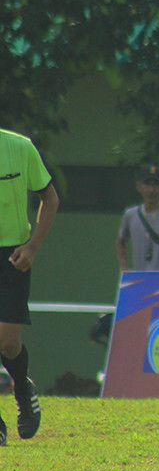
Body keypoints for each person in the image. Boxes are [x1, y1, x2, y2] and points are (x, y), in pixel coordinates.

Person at [0, 128, 59, 446]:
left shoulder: (20, 147)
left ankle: (22, 389)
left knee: (8, 344)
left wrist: (33, 246)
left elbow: (50, 198)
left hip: (12, 256)